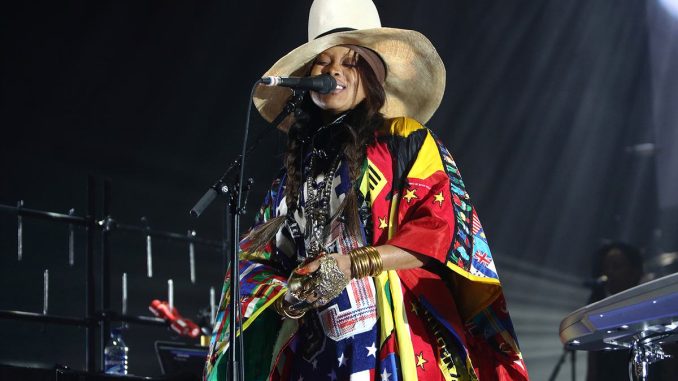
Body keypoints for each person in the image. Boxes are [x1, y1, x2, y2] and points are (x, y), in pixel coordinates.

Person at [204, 1, 529, 380]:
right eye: (322, 62)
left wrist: (352, 265)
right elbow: (256, 259)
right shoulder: (294, 172)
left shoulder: (405, 140)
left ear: (373, 74)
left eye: (350, 60)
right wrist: (288, 296)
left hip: (396, 337)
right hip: (316, 352)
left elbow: (442, 232)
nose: (334, 70)